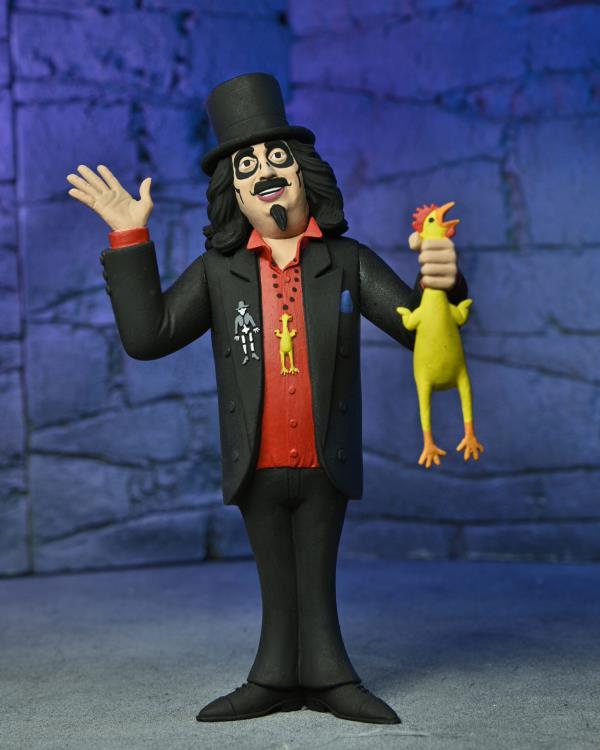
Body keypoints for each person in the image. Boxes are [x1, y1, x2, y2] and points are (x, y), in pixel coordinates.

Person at [66, 72, 468, 725]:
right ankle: (275, 674)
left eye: (278, 158)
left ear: (306, 173)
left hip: (326, 454)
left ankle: (331, 675)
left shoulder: (347, 261)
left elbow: (419, 330)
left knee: (317, 571)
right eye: (246, 167)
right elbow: (149, 335)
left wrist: (444, 286)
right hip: (255, 456)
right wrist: (129, 237)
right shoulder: (219, 273)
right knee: (276, 575)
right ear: (233, 194)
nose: (265, 174)